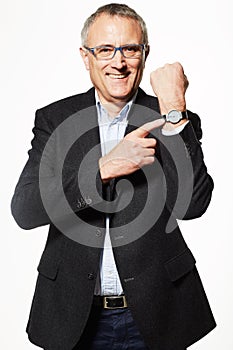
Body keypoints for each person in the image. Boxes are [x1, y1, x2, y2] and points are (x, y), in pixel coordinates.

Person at [11, 3, 216, 350]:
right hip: (75, 315)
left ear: (145, 53)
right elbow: (25, 210)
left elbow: (193, 205)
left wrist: (175, 110)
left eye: (130, 49)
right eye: (105, 49)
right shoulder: (55, 119)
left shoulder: (172, 116)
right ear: (86, 56)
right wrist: (102, 169)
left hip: (158, 312)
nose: (118, 62)